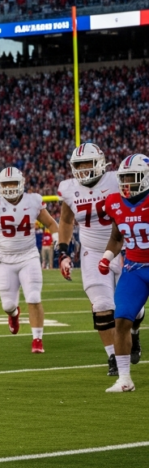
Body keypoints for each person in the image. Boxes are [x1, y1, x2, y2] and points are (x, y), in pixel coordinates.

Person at [0, 168, 60, 353]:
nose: (10, 187)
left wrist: (56, 241)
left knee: (34, 297)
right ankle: (14, 314)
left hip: (28, 256)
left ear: (21, 183)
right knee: (7, 305)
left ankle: (37, 339)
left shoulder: (33, 201)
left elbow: (52, 223)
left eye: (13, 183)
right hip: (5, 259)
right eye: (6, 184)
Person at [56, 144, 124, 375]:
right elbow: (66, 221)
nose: (83, 170)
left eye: (87, 164)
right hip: (93, 252)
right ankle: (113, 357)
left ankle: (133, 332)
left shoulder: (117, 180)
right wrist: (63, 252)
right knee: (103, 305)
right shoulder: (69, 188)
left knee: (131, 311)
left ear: (100, 163)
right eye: (78, 166)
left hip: (124, 248)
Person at [98, 154, 149, 393]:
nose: (127, 182)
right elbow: (117, 237)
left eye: (132, 177)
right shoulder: (114, 202)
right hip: (135, 268)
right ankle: (125, 379)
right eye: (124, 177)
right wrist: (107, 257)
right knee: (121, 319)